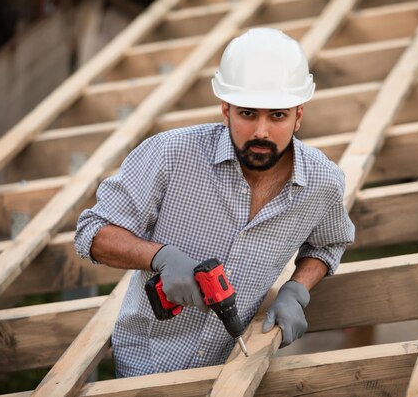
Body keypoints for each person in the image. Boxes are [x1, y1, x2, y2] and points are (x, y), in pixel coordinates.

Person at [74, 27, 355, 377]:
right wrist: (159, 256)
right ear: (226, 109)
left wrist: (298, 289)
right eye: (248, 114)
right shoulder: (170, 155)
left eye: (278, 116)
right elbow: (92, 232)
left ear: (299, 115)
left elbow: (328, 244)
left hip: (235, 367)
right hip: (146, 366)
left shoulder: (321, 182)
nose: (261, 132)